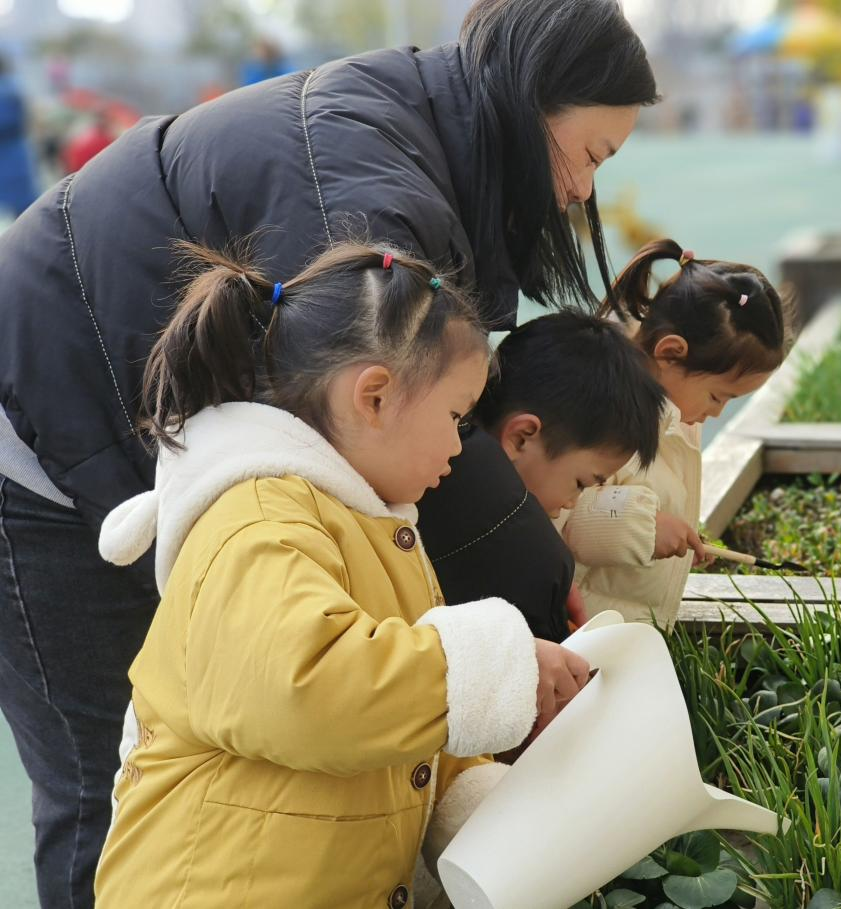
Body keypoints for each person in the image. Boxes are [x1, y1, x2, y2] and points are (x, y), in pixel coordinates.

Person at [0, 2, 655, 904]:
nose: (581, 191)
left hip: (115, 410)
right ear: (534, 99)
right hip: (41, 428)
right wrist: (526, 613)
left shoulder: (417, 150)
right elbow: (314, 682)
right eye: (592, 155)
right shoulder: (367, 203)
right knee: (95, 777)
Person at [92, 239, 590, 906]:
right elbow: (310, 688)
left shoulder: (371, 529)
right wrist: (489, 665)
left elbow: (402, 719)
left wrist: (469, 791)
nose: (457, 445)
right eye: (454, 416)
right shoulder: (257, 520)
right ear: (375, 397)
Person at [563, 239, 790, 628]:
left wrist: (676, 532)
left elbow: (652, 493)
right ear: (670, 353)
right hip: (582, 634)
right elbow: (560, 517)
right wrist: (646, 528)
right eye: (718, 396)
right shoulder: (605, 412)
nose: (716, 413)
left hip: (627, 630)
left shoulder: (678, 415)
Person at [417, 311, 666, 641]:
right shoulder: (515, 551)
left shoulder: (430, 474)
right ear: (521, 437)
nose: (570, 503)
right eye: (580, 484)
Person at [0, 54, 37, 219]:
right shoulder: (13, 86)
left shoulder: (7, 90)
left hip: (9, 152)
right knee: (25, 209)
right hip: (17, 151)